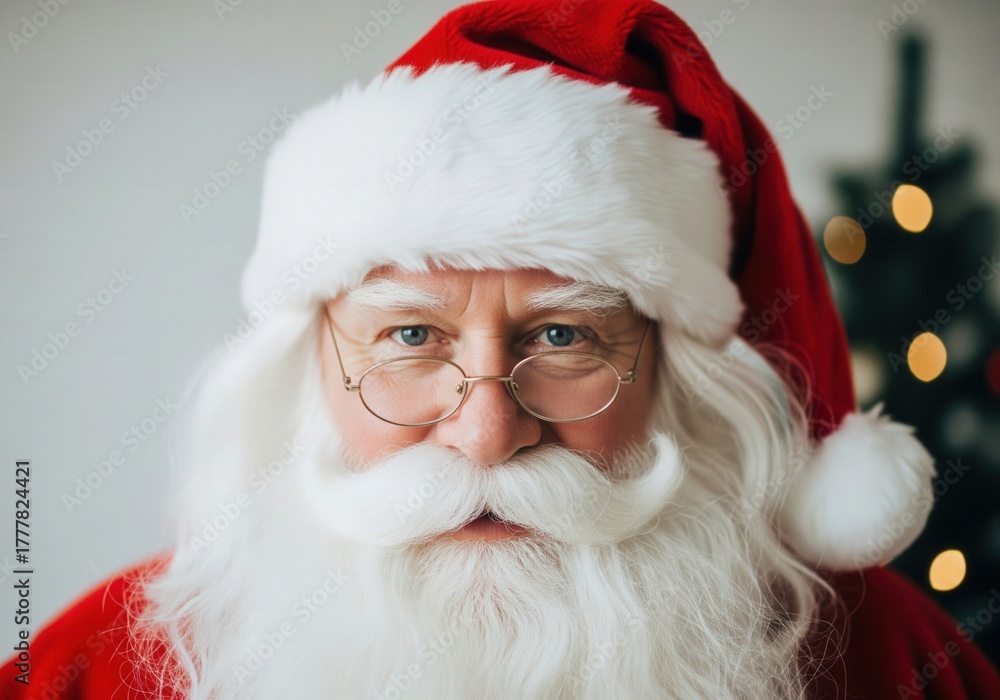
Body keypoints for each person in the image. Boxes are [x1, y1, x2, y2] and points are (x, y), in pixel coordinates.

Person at [4, 0, 999, 698]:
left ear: (674, 375)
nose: (486, 432)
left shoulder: (896, 663)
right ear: (308, 368)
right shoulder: (88, 672)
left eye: (564, 335)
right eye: (410, 336)